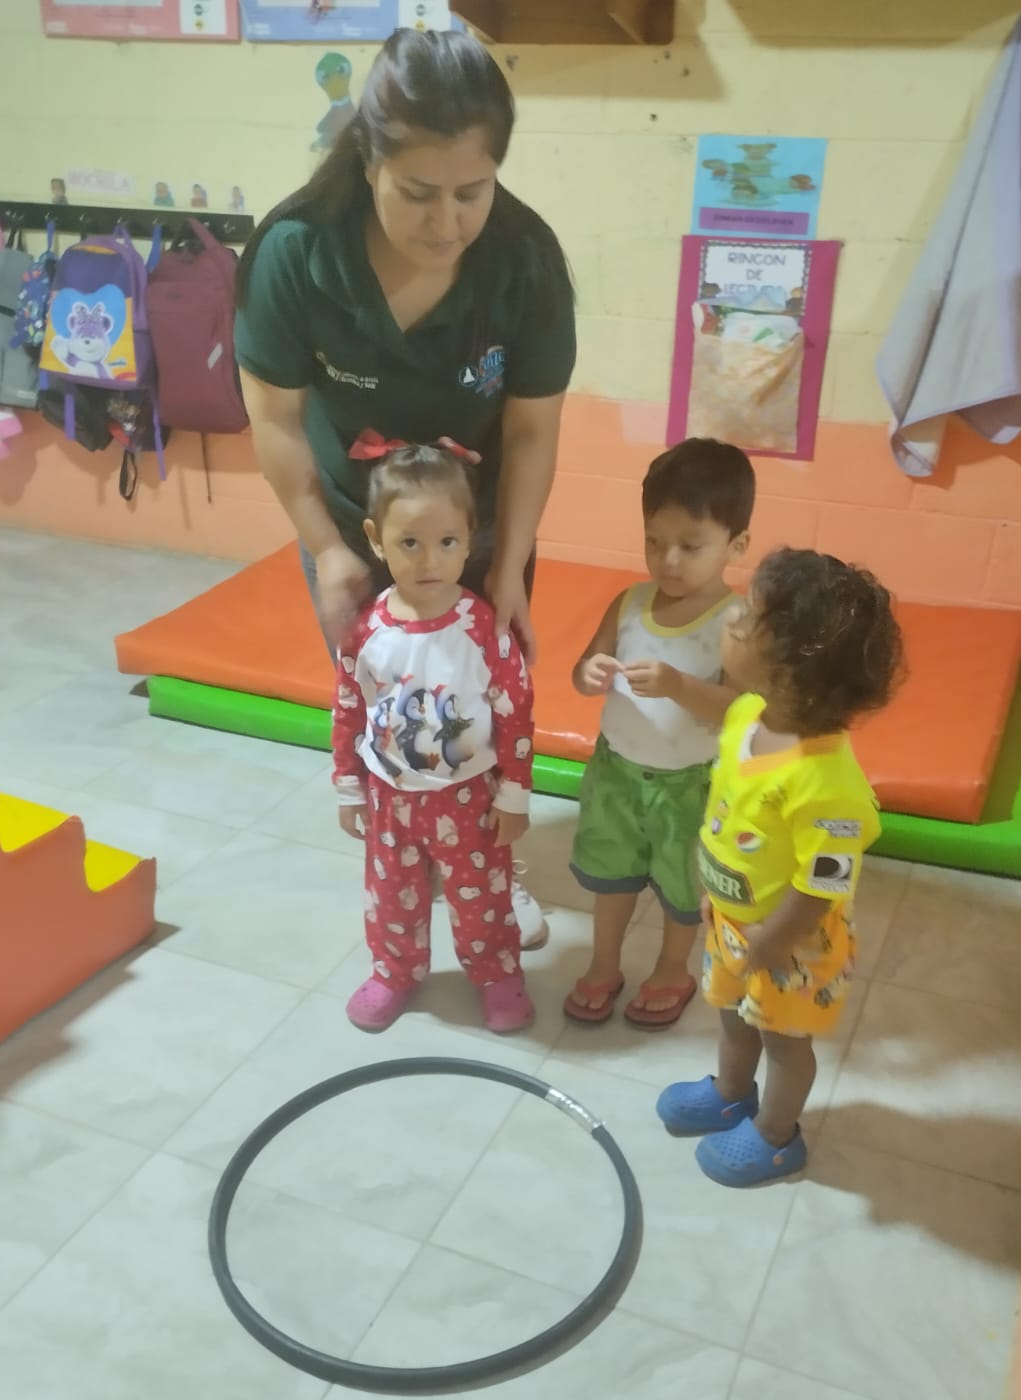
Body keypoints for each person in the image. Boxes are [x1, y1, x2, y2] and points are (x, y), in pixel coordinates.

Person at [234, 28, 576, 951]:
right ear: (368, 159)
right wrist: (327, 551)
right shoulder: (297, 253)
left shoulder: (525, 260)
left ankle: (486, 871)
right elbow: (274, 419)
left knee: (481, 706)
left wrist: (510, 565)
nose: (447, 222)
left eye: (472, 191)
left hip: (476, 532)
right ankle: (405, 868)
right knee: (390, 707)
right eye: (418, 192)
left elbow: (532, 429)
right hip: (358, 527)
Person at [656, 547, 904, 1188]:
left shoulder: (826, 784)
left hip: (791, 941)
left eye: (746, 617)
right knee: (733, 1013)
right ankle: (731, 1093)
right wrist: (717, 892)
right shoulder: (749, 714)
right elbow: (733, 805)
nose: (730, 616)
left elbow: (825, 880)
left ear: (792, 670)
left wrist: (776, 937)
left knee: (784, 1040)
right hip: (734, 920)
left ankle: (775, 1133)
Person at [331, 443, 535, 1037]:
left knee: (481, 898)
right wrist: (348, 786)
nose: (429, 560)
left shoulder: (485, 629)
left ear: (470, 538)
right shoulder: (366, 630)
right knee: (391, 895)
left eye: (447, 541)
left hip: (469, 798)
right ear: (376, 539)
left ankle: (496, 974)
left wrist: (514, 795)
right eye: (409, 543)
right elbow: (348, 709)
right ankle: (394, 972)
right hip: (389, 799)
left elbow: (517, 714)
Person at [566, 439, 754, 1029]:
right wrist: (589, 673)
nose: (668, 560)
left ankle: (673, 969)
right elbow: (583, 670)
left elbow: (742, 711)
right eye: (654, 541)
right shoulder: (629, 602)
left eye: (690, 546)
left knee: (683, 887)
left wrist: (678, 685)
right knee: (612, 877)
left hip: (690, 787)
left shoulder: (737, 623)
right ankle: (603, 963)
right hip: (617, 774)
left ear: (736, 545)